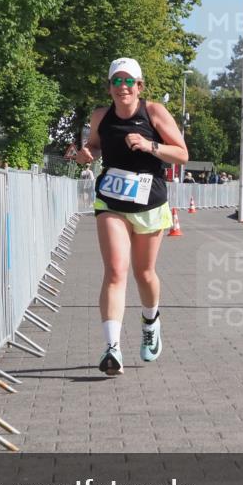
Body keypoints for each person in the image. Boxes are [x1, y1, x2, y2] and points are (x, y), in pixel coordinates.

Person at [76, 57, 188, 376]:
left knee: (145, 274)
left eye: (129, 82)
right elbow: (95, 146)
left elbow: (182, 153)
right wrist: (87, 153)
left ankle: (151, 320)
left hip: (150, 202)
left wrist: (150, 145)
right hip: (111, 200)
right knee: (115, 271)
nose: (122, 87)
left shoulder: (153, 112)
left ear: (139, 87)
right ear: (109, 87)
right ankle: (112, 348)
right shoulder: (101, 115)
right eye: (117, 81)